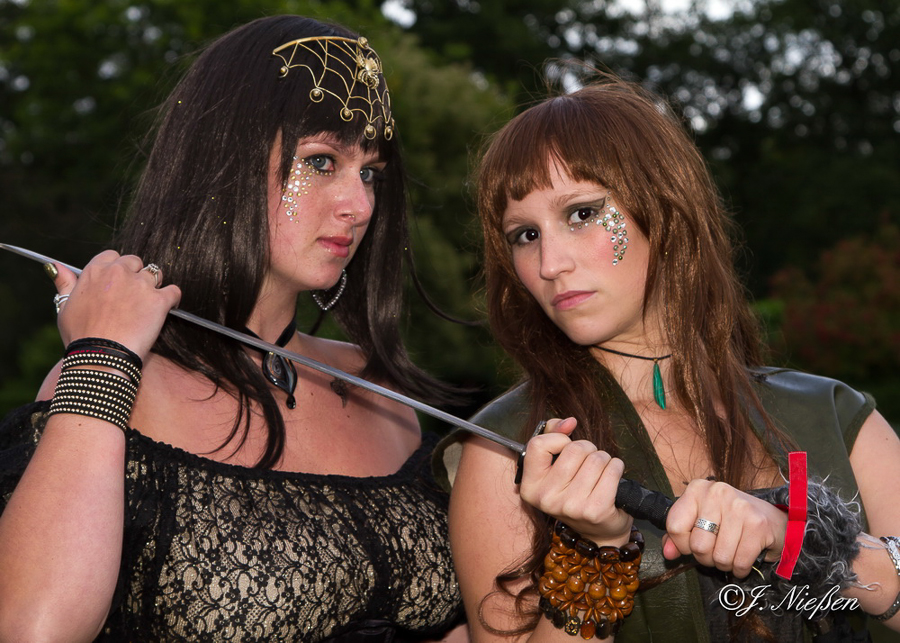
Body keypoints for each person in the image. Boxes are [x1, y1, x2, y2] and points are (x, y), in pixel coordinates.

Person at [0, 15, 467, 642]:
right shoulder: (113, 387)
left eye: (369, 173)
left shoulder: (378, 391)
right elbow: (33, 630)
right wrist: (103, 354)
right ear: (225, 164)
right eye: (321, 161)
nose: (359, 205)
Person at [440, 73, 900, 641]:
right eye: (525, 235)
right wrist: (593, 555)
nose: (550, 263)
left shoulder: (831, 413)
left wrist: (796, 538)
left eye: (581, 214)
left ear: (664, 209)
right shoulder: (502, 450)